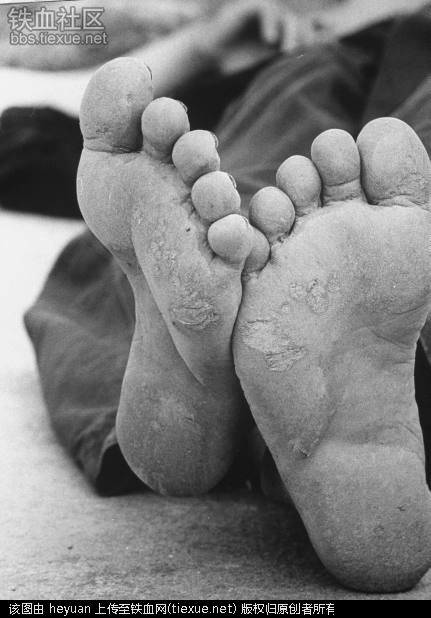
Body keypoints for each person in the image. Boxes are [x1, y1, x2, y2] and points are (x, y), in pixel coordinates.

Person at [23, 0, 431, 595]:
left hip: (321, 68)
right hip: (300, 65)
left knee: (242, 212)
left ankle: (224, 362)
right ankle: (286, 383)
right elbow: (61, 78)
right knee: (249, 212)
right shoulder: (252, 27)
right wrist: (214, 36)